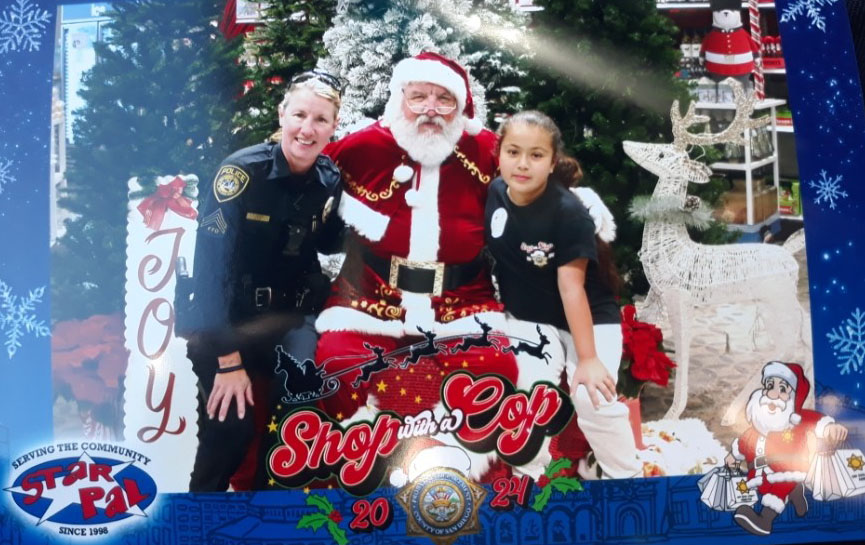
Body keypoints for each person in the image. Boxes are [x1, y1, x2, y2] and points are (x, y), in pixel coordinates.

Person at [314, 53, 554, 481]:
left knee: (495, 369)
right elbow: (306, 173)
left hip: (461, 301)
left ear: (461, 106)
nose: (430, 109)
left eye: (444, 99)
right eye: (419, 96)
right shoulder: (363, 146)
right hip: (369, 298)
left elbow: (535, 186)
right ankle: (360, 477)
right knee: (336, 365)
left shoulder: (486, 151)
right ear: (400, 98)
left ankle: (469, 482)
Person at [185, 71, 343, 492]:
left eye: (321, 119)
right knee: (232, 429)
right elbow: (209, 276)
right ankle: (201, 515)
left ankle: (267, 511)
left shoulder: (329, 180)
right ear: (282, 114)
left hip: (287, 320)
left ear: (334, 126)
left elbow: (332, 240)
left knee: (296, 411)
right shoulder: (241, 174)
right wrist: (229, 362)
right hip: (228, 321)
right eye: (300, 115)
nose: (307, 129)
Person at [484, 110, 643, 480]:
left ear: (553, 162)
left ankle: (627, 479)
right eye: (513, 152)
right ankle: (528, 479)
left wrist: (587, 359)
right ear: (499, 154)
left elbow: (572, 289)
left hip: (588, 317)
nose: (523, 164)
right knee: (528, 392)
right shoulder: (495, 192)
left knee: (593, 395)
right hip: (530, 318)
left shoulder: (568, 213)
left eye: (536, 155)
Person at [725, 361, 848, 535]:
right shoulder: (758, 423)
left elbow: (817, 422)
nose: (774, 394)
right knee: (763, 488)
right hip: (760, 471)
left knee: (779, 489)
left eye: (782, 389)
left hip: (788, 469)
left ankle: (765, 520)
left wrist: (830, 429)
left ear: (793, 396)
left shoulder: (796, 419)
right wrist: (734, 455)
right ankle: (796, 494)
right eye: (770, 386)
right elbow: (744, 442)